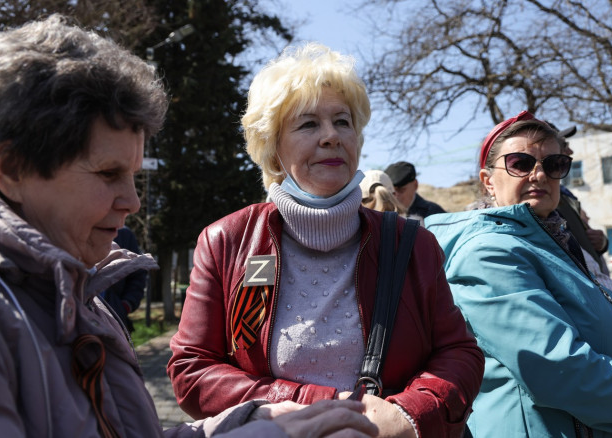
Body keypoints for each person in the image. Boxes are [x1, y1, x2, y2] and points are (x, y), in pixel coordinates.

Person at [0, 16, 379, 438]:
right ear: (12, 168)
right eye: (108, 173)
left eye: (342, 121)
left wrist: (255, 422)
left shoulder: (75, 291)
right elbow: (193, 366)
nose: (133, 201)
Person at [168, 42, 484, 438]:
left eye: (343, 121)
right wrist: (316, 406)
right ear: (272, 148)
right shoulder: (226, 241)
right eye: (308, 124)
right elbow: (192, 368)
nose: (332, 136)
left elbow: (460, 353)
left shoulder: (413, 244)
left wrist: (409, 415)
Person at [425, 110, 612, 437]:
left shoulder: (558, 241)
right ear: (488, 181)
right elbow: (561, 369)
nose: (539, 175)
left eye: (554, 164)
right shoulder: (488, 252)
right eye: (520, 163)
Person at [548, 121, 611, 276]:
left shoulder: (564, 194)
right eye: (563, 145)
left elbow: (580, 237)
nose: (570, 151)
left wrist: (601, 243)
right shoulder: (541, 199)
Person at [101, 226, 148, 332]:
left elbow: (137, 274)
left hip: (115, 320)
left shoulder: (123, 234)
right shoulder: (70, 228)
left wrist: (126, 305)